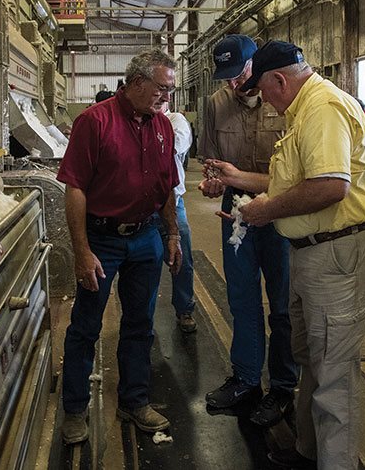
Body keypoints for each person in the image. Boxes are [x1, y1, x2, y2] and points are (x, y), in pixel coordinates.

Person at [206, 40, 365, 469]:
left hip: (340, 254)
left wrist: (265, 211)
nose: (266, 102)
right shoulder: (304, 109)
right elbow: (293, 179)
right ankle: (308, 452)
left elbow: (330, 186)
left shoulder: (322, 108)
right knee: (314, 359)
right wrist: (240, 179)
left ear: (278, 80)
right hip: (318, 253)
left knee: (334, 376)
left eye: (265, 91)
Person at [56, 49, 183, 445]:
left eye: (170, 90)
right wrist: (82, 251)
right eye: (161, 88)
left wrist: (172, 234)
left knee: (140, 324)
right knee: (86, 325)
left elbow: (166, 185)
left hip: (146, 238)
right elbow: (75, 188)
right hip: (103, 240)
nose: (166, 97)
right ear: (137, 82)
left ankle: (134, 400)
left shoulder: (162, 127)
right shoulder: (94, 122)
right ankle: (75, 408)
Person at [198, 35, 298, 428]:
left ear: (257, 64)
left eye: (239, 74)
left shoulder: (285, 99)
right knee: (241, 297)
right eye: (225, 76)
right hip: (237, 208)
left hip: (282, 207)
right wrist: (214, 182)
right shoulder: (216, 103)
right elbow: (211, 160)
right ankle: (246, 379)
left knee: (283, 303)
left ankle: (284, 386)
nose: (233, 83)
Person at [161, 102, 197, 333]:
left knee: (182, 257)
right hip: (143, 205)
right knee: (144, 262)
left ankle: (184, 308)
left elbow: (174, 147)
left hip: (173, 202)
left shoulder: (176, 121)